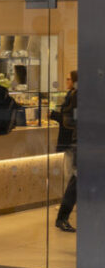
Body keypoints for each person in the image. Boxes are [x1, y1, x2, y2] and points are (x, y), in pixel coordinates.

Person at [52, 70, 78, 232]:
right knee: (75, 179)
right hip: (81, 142)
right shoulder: (76, 95)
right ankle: (62, 217)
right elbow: (69, 119)